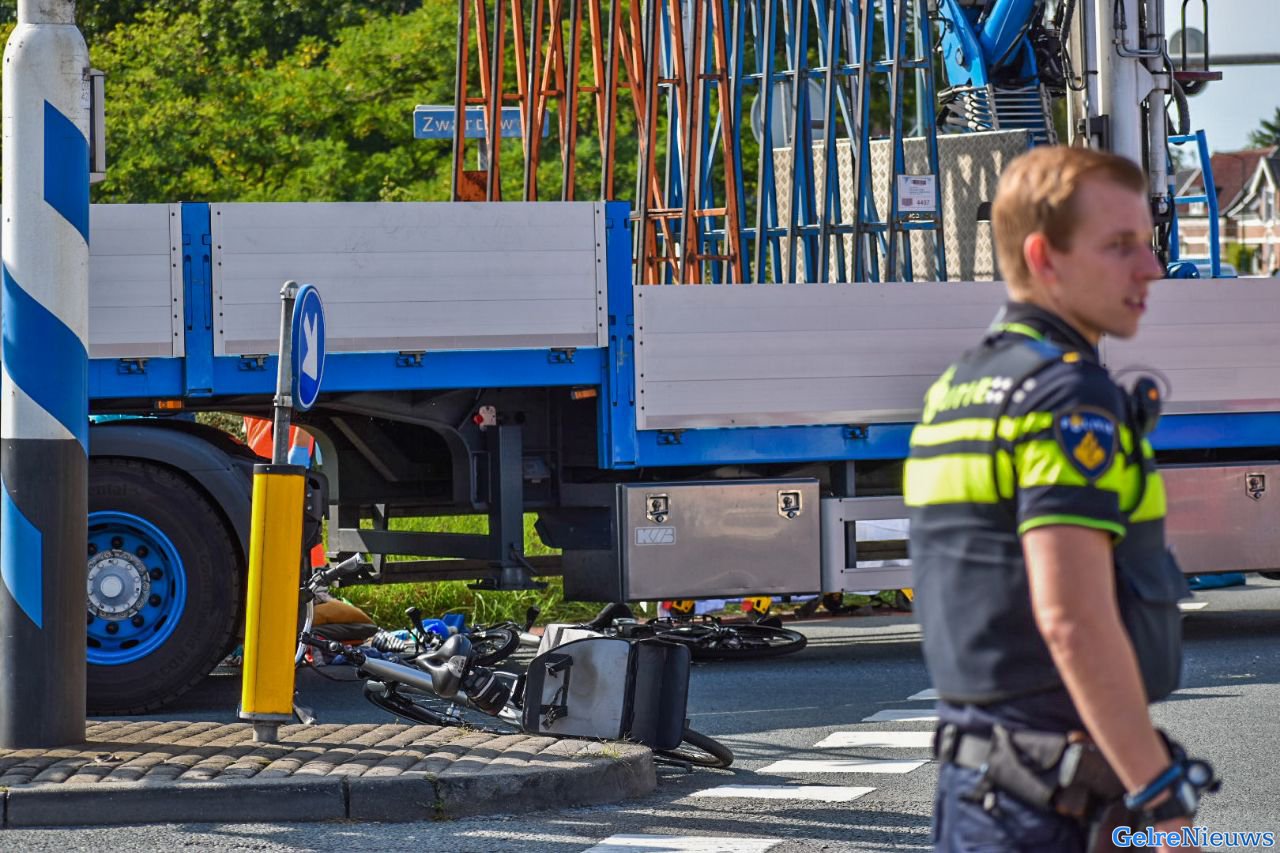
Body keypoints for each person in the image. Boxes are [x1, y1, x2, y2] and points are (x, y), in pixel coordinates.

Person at [905, 146, 1217, 852]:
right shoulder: (1065, 395)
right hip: (1051, 803)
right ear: (1046, 258)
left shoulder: (958, 387)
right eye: (1120, 246)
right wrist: (1161, 799)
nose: (1152, 268)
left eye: (1148, 242)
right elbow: (1071, 618)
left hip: (979, 790)